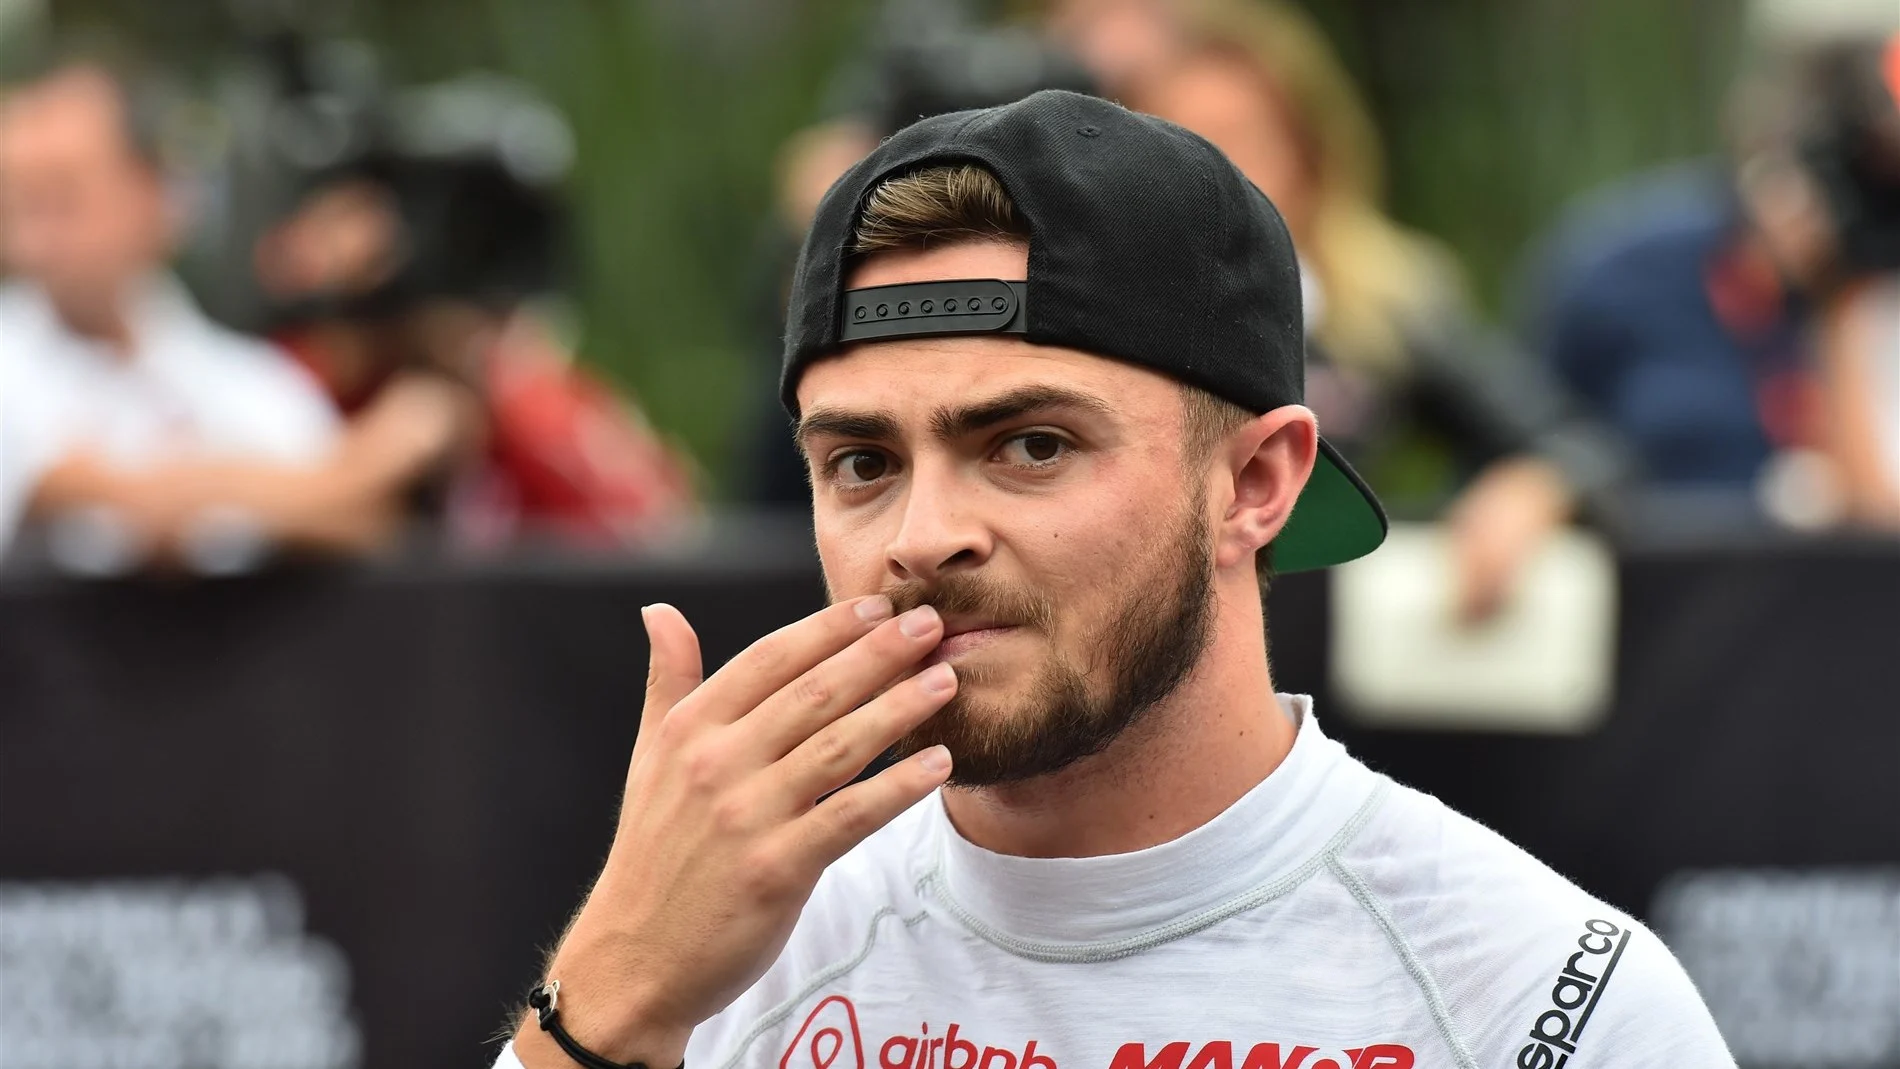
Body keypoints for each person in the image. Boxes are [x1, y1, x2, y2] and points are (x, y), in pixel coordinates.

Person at [496, 92, 1731, 1069]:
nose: (923, 535)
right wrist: (603, 1001)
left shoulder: (1541, 999)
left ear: (1256, 485)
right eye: (862, 461)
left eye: (1030, 444)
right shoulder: (709, 959)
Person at [1128, 0, 1631, 621]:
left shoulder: (1380, 298)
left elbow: (1574, 443)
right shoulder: (1086, 310)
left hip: (1319, 640)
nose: (1211, 178)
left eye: (1239, 141)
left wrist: (1529, 489)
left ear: (1307, 155)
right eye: (1176, 145)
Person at [0, 59, 462, 571]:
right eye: (19, 202)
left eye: (62, 197)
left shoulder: (239, 373)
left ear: (156, 193)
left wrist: (206, 496)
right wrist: (375, 456)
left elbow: (369, 522)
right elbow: (114, 502)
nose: (32, 238)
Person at [1523, 28, 1900, 528]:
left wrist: (1840, 303)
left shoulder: (1863, 299)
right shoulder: (1625, 269)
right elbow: (1527, 437)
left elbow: (1875, 515)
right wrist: (1556, 479)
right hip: (1659, 583)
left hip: (1825, 591)